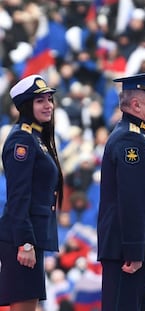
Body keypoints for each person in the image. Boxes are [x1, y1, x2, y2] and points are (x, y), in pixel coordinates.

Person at [97, 71, 145, 311]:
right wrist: (134, 249)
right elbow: (132, 200)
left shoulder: (140, 137)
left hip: (135, 250)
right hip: (128, 253)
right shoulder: (130, 140)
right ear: (136, 104)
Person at [0, 74, 64, 311]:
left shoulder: (36, 138)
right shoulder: (22, 139)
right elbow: (18, 196)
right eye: (40, 101)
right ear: (26, 106)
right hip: (22, 239)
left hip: (32, 237)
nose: (48, 105)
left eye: (49, 99)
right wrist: (25, 243)